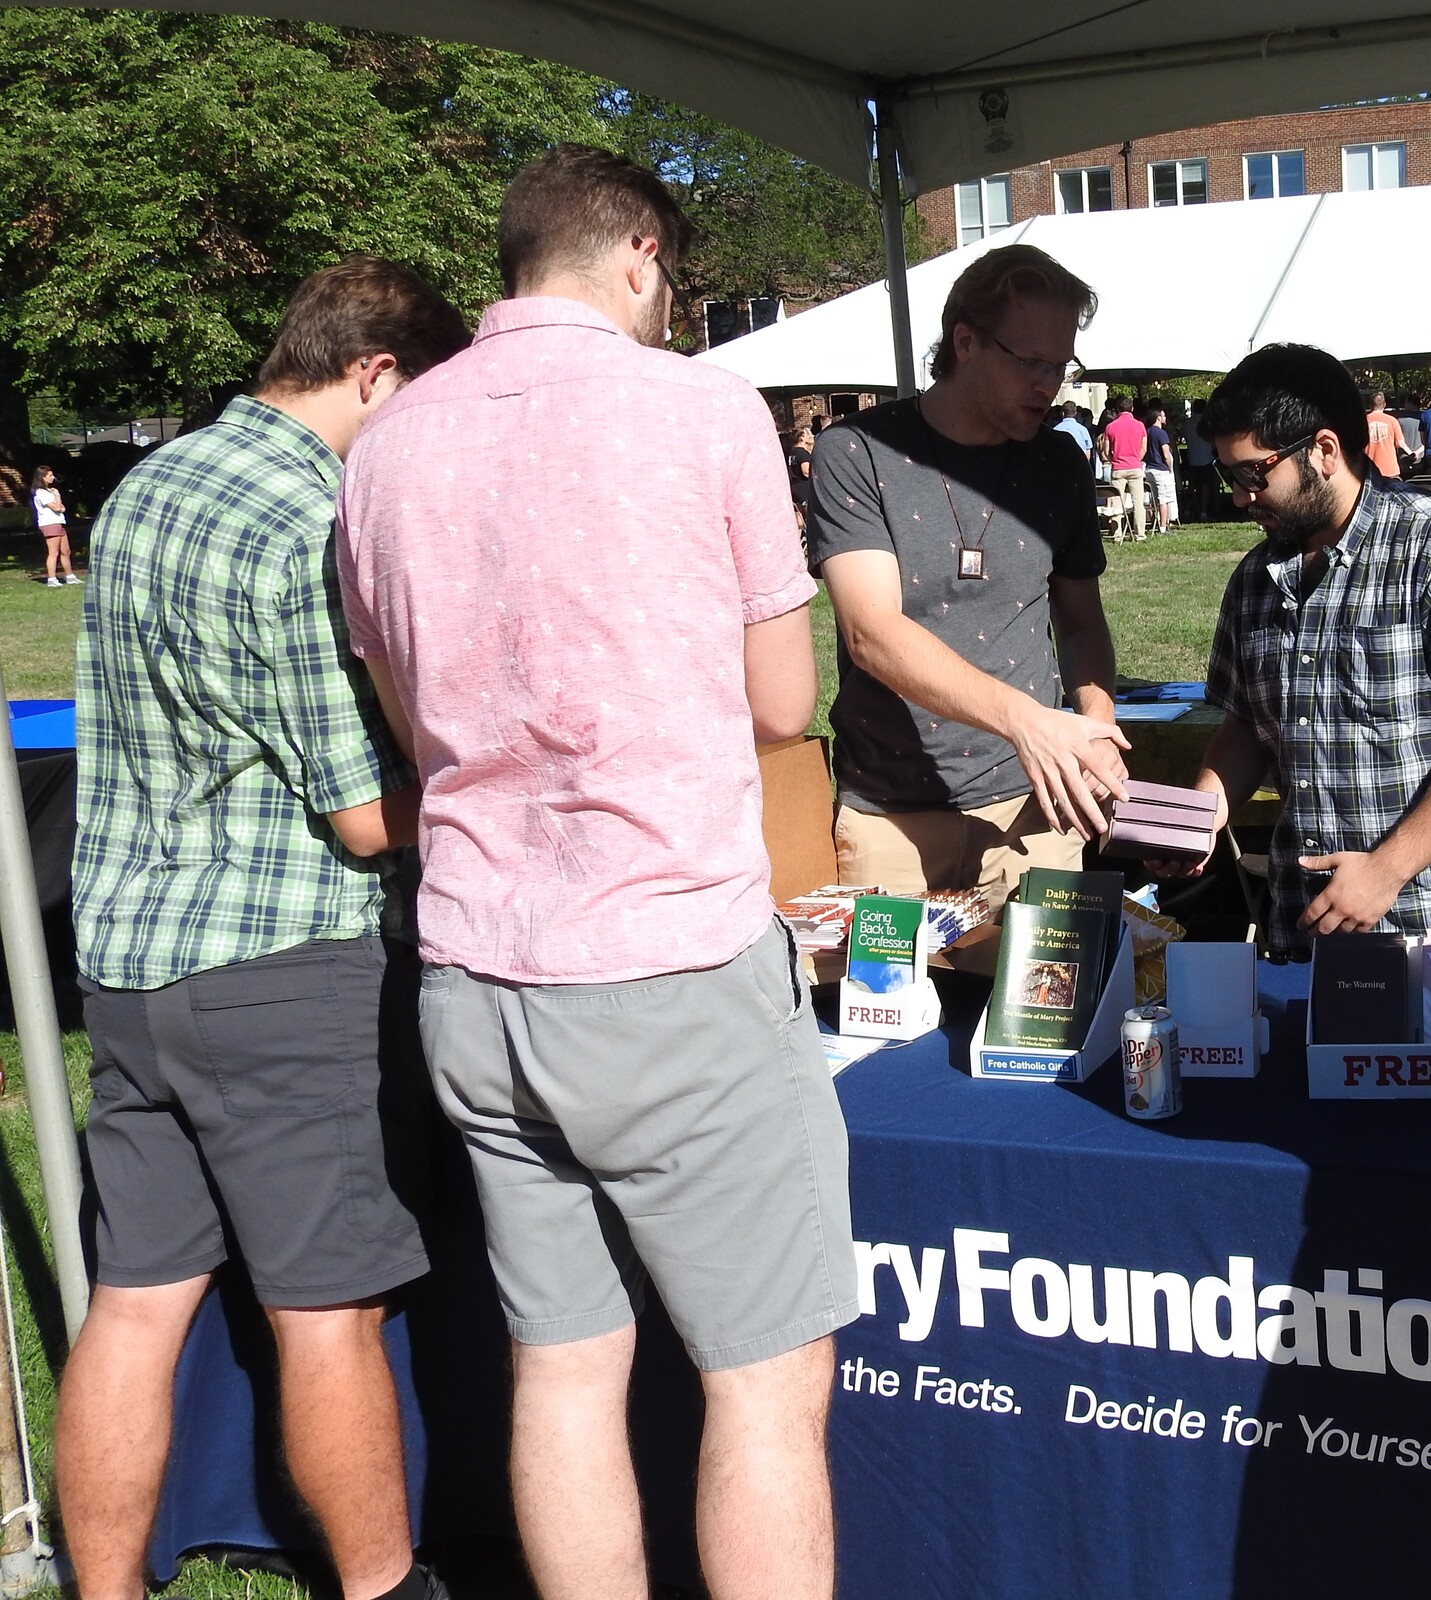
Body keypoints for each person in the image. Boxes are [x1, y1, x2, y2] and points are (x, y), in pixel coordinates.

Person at [337, 147, 856, 1600]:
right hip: (666, 960)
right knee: (764, 1379)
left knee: (562, 1365)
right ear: (638, 255)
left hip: (477, 967)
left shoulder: (386, 443)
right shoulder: (700, 405)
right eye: (669, 275)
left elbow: (411, 717)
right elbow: (781, 702)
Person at [62, 256, 469, 1600]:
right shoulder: (311, 520)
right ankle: (382, 1584)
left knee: (134, 1305)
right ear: (376, 376)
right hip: (283, 970)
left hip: (131, 963)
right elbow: (360, 815)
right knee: (329, 1313)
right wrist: (494, 784)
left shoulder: (147, 484)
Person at [1170, 344, 1431, 960]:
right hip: (1311, 925)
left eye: (1252, 474)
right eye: (1228, 476)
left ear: (1324, 450)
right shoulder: (1255, 579)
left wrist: (1385, 870)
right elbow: (1246, 727)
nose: (1239, 497)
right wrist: (1197, 821)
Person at [810, 242, 1127, 905]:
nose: (1048, 384)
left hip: (1035, 810)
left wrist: (1095, 726)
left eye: (1061, 365)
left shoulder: (1059, 465)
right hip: (890, 817)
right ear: (966, 342)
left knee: (1042, 980)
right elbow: (870, 632)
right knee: (885, 981)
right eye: (1030, 361)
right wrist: (1025, 721)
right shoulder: (858, 451)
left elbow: (1081, 624)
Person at [1101, 394, 1152, 540]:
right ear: (1132, 408)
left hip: (1118, 468)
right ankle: (1139, 533)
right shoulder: (1140, 425)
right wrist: (1136, 459)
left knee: (1117, 502)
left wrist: (1114, 459)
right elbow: (1144, 448)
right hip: (1134, 466)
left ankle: (1117, 534)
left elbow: (1106, 450)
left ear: (1117, 409)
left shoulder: (1110, 427)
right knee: (1138, 502)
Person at [30, 464, 75, 586]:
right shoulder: (41, 493)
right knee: (53, 552)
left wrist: (58, 502)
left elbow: (62, 508)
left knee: (66, 551)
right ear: (42, 477)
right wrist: (57, 497)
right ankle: (52, 579)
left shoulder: (49, 491)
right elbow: (57, 507)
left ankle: (70, 576)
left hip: (58, 522)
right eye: (50, 475)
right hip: (50, 523)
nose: (53, 477)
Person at [1144, 402, 1180, 531]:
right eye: (1163, 416)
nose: (1165, 418)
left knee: (1153, 499)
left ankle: (1154, 522)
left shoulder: (1147, 432)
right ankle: (1163, 527)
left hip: (1149, 468)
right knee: (1163, 499)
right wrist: (1170, 467)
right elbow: (1166, 453)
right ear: (1158, 418)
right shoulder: (1162, 434)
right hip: (1161, 469)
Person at [1362, 390, 1406, 480]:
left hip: (1369, 468)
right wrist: (1411, 453)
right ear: (1384, 404)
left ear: (1370, 405)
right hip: (1390, 469)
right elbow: (1400, 443)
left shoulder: (1362, 422)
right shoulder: (1392, 421)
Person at [786, 424, 816, 522]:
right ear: (801, 438)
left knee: (799, 516)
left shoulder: (792, 453)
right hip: (804, 489)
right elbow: (806, 472)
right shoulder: (803, 453)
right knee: (810, 517)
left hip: (794, 488)